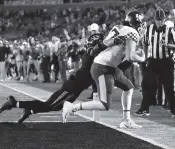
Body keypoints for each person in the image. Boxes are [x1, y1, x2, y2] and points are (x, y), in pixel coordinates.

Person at [0, 23, 105, 124]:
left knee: (56, 107)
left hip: (75, 88)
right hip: (72, 88)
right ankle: (14, 103)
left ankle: (30, 110)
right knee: (48, 105)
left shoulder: (94, 55)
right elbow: (95, 51)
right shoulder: (92, 53)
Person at [62, 11, 146, 128]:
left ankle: (126, 120)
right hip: (103, 68)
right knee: (104, 104)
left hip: (107, 66)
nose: (141, 27)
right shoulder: (132, 32)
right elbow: (130, 57)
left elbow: (120, 52)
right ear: (135, 22)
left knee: (129, 87)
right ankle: (72, 107)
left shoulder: (119, 27)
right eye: (140, 23)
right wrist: (142, 58)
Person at [134, 9, 175, 117]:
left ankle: (173, 110)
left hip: (166, 61)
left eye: (161, 20)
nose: (159, 22)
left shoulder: (169, 30)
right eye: (158, 20)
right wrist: (146, 56)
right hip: (153, 61)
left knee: (169, 87)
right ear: (154, 20)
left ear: (164, 20)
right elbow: (146, 43)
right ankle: (144, 109)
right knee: (147, 84)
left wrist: (167, 45)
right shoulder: (149, 29)